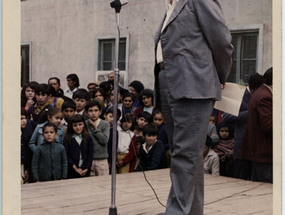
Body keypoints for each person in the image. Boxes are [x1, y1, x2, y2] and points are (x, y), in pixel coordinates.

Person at [154, 0, 233, 214]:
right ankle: (191, 211)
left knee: (185, 154)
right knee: (186, 153)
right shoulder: (169, 6)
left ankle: (177, 211)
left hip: (194, 83)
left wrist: (219, 75)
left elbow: (222, 40)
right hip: (169, 80)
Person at [222, 73, 264, 180]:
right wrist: (250, 112)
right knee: (241, 179)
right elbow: (226, 117)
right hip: (241, 148)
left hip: (256, 148)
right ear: (253, 89)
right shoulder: (239, 95)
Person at [240, 67, 273, 183]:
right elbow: (269, 125)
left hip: (259, 153)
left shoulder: (261, 93)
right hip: (264, 154)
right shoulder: (265, 96)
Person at [64, 114, 94, 178]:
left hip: (85, 170)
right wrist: (75, 168)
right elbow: (67, 155)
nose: (78, 127)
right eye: (75, 125)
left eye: (80, 124)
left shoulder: (88, 138)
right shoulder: (67, 139)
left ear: (84, 125)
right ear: (71, 126)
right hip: (72, 171)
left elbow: (90, 155)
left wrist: (86, 168)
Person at [85, 101, 110, 176]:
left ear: (100, 112)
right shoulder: (84, 124)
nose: (93, 113)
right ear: (86, 113)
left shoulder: (105, 124)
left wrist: (95, 128)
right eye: (90, 111)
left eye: (96, 110)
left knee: (104, 183)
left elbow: (104, 140)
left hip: (101, 160)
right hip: (88, 159)